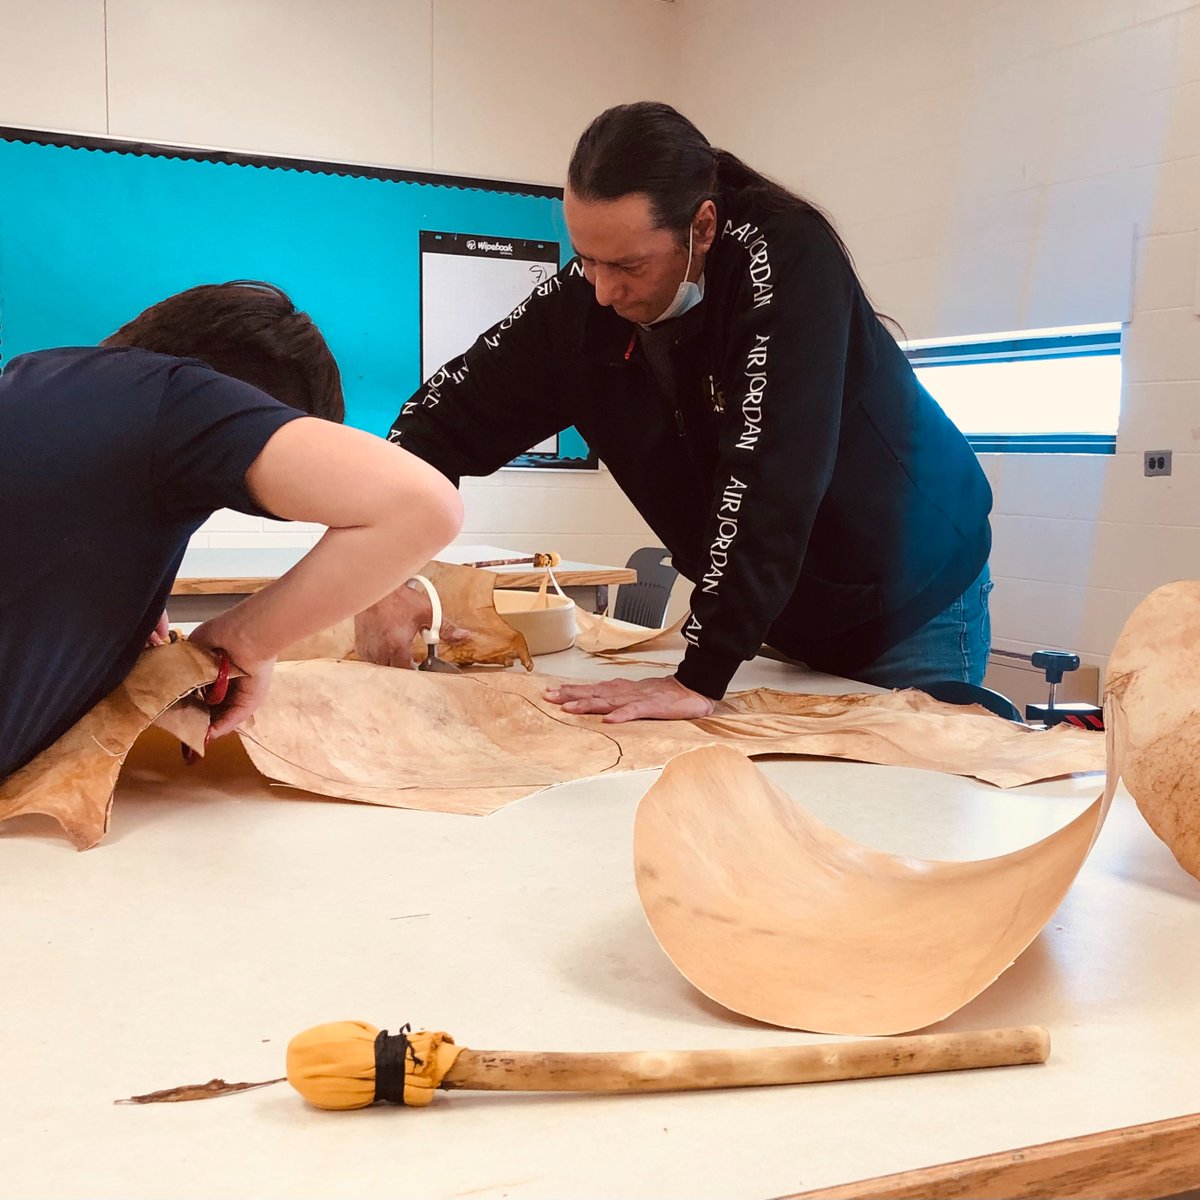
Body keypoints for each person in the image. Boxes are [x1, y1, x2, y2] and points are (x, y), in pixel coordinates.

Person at [366, 101, 992, 723]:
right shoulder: (583, 300)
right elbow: (435, 421)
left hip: (905, 603)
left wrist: (702, 672)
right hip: (779, 615)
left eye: (628, 266)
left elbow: (771, 471)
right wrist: (384, 575)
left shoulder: (786, 260)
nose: (604, 291)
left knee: (899, 807)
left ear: (702, 229)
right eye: (585, 258)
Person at [0, 281, 461, 780]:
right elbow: (422, 508)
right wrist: (245, 641)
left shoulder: (32, 374)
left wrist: (124, 592)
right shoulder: (179, 395)